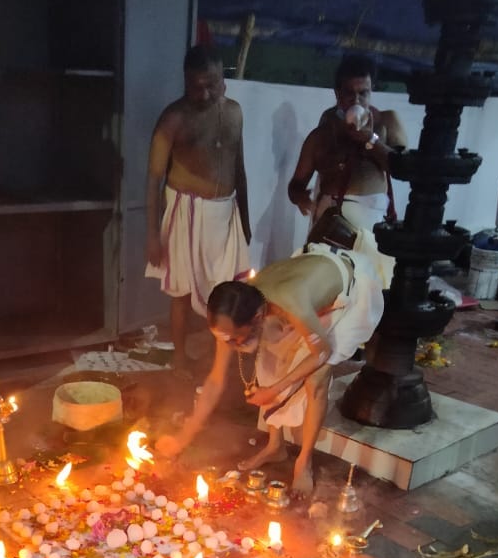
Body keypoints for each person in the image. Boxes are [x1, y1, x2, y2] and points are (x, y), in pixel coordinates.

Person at [155, 233, 385, 494]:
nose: (230, 345)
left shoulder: (290, 302)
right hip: (307, 282)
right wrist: (182, 438)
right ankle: (276, 447)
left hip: (346, 292)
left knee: (316, 377)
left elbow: (321, 352)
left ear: (256, 318)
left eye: (235, 339)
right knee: (269, 360)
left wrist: (275, 390)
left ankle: (304, 463)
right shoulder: (232, 312)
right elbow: (215, 380)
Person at [145, 44, 251, 373]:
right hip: (186, 211)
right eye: (197, 86)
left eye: (213, 84)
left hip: (225, 211)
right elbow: (153, 179)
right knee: (180, 290)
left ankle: (218, 360)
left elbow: (239, 167)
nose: (205, 94)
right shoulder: (174, 118)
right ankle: (179, 357)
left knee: (228, 289)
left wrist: (245, 219)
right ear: (185, 83)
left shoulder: (234, 112)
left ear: (224, 80)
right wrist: (151, 235)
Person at [287, 55, 408, 237]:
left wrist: (371, 140)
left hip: (373, 225)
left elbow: (403, 168)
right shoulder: (323, 134)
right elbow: (295, 185)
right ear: (338, 94)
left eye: (363, 93)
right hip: (329, 224)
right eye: (350, 93)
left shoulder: (387, 121)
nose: (356, 100)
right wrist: (301, 198)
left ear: (371, 91)